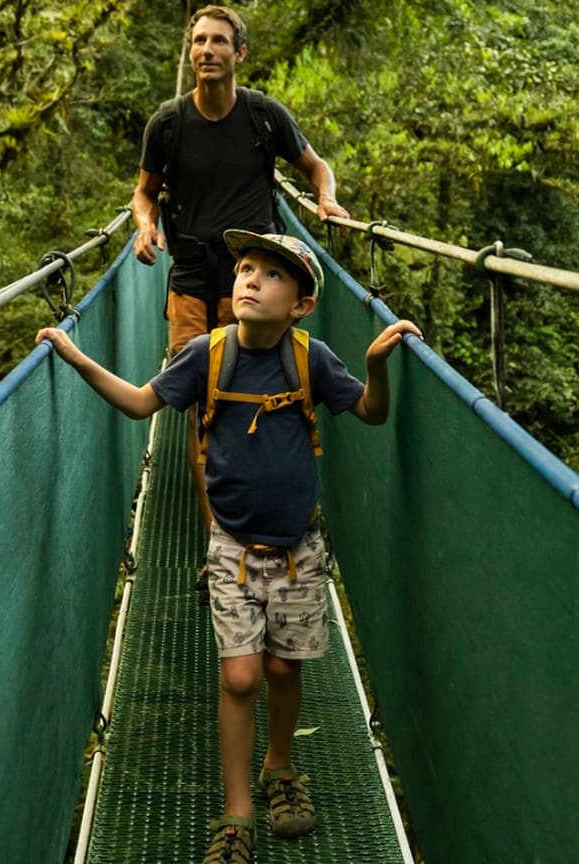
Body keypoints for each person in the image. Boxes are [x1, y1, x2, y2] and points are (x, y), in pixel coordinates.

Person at [37, 231, 417, 864]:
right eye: (245, 269)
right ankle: (237, 810)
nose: (250, 280)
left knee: (282, 668)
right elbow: (139, 404)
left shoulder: (311, 358)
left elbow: (372, 415)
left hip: (298, 548)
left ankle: (281, 765)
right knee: (241, 676)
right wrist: (76, 357)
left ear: (300, 304)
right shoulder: (204, 355)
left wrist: (376, 364)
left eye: (271, 275)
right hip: (231, 548)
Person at [132, 5, 351, 536]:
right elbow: (144, 192)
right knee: (196, 401)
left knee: (243, 402)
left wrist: (326, 199)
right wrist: (145, 225)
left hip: (252, 279)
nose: (207, 50)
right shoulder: (167, 122)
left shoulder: (262, 116)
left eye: (219, 42)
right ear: (191, 51)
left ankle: (260, 519)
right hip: (189, 277)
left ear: (239, 53)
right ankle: (218, 539)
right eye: (199, 41)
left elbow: (316, 166)